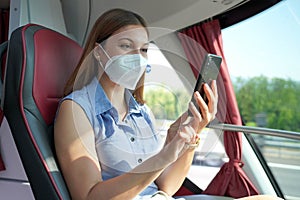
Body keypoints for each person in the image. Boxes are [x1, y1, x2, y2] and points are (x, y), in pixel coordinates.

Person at [54, 8, 282, 200]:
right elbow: (89, 197)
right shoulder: (76, 109)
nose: (138, 57)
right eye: (125, 46)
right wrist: (165, 155)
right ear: (99, 53)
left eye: (143, 49)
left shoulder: (142, 112)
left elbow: (167, 188)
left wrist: (192, 134)